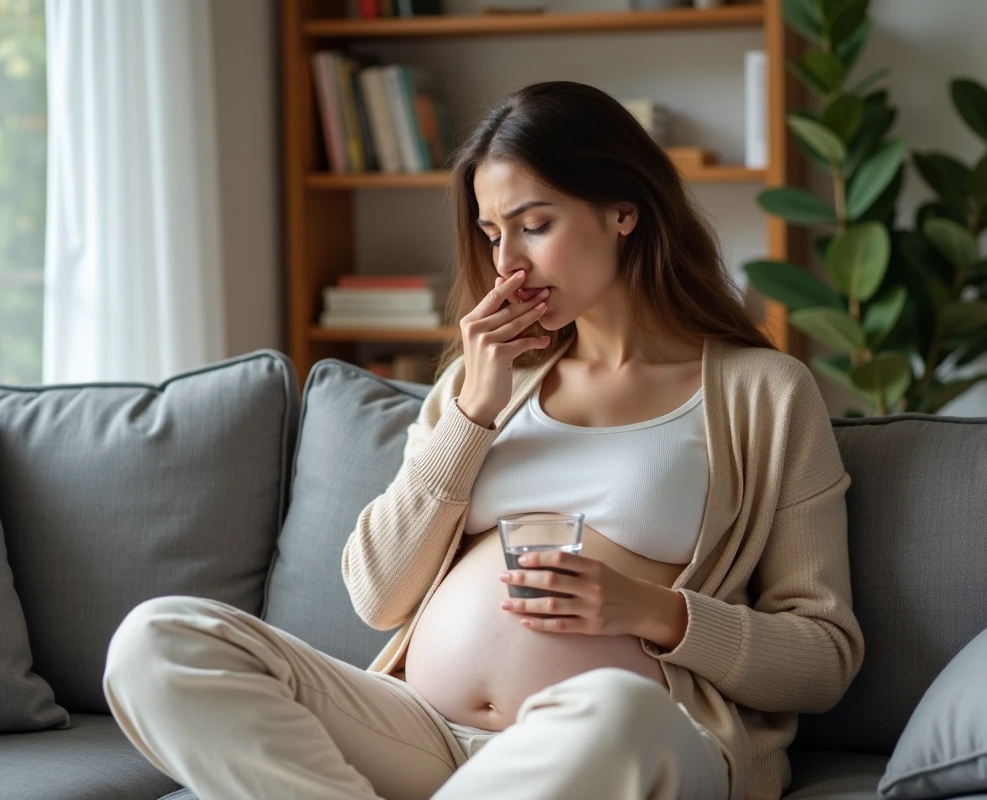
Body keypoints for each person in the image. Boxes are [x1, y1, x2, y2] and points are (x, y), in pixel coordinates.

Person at [103, 81, 865, 800]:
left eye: (535, 225)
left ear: (622, 212)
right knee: (159, 640)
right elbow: (378, 595)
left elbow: (822, 659)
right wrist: (473, 411)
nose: (507, 263)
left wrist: (655, 611)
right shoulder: (480, 385)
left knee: (614, 708)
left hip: (623, 743)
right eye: (493, 232)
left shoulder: (764, 393)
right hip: (424, 733)